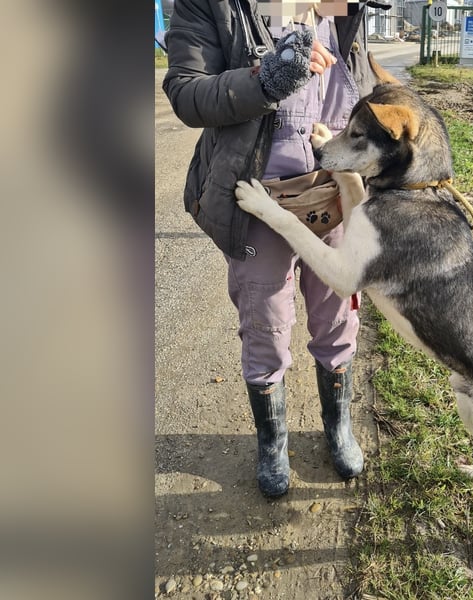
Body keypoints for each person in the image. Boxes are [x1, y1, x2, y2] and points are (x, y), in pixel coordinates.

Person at [162, 0, 386, 497]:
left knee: (338, 315)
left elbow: (361, 90)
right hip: (256, 197)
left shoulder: (345, 7)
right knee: (265, 323)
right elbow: (185, 92)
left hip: (333, 192)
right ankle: (272, 441)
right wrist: (262, 81)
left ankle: (337, 425)